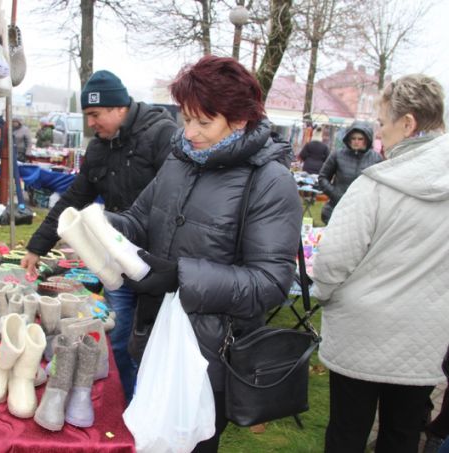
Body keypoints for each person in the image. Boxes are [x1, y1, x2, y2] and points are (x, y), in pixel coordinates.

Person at [107, 55, 302, 452]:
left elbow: (270, 283)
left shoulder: (270, 181)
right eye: (186, 118)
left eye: (203, 122)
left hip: (210, 357)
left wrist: (182, 276)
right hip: (154, 334)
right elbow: (140, 220)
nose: (190, 132)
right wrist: (100, 227)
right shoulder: (180, 161)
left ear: (240, 119)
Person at [20, 69, 178, 401]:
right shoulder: (98, 149)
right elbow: (73, 200)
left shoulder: (162, 135)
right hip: (115, 262)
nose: (91, 123)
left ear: (119, 107)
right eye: (87, 115)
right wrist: (38, 245)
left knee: (154, 342)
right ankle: (133, 403)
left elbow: (180, 198)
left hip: (157, 263)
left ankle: (155, 407)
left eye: (95, 114)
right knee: (120, 337)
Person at [311, 74, 448, 453]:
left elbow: (332, 261)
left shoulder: (375, 184)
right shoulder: (377, 182)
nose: (380, 135)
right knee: (403, 434)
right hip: (427, 332)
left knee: (347, 432)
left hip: (363, 331)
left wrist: (321, 294)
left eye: (384, 123)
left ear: (409, 123)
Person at [318, 120, 382, 224]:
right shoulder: (337, 155)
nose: (356, 141)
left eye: (360, 139)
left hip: (362, 212)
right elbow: (322, 177)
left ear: (367, 139)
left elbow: (380, 186)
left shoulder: (376, 159)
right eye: (353, 138)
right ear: (349, 138)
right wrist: (335, 194)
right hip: (336, 208)